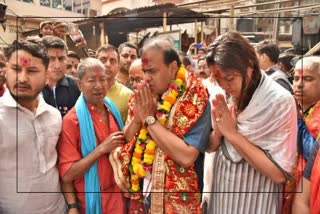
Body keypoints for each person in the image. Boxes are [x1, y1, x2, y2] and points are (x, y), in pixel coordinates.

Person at [109, 38, 211, 213]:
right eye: (145, 71)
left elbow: (187, 156)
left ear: (172, 67)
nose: (147, 78)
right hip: (145, 192)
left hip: (178, 200)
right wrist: (137, 119)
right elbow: (127, 138)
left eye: (153, 71)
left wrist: (149, 120)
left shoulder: (196, 98)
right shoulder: (144, 93)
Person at [206, 31, 297, 213]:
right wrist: (218, 132)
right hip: (221, 194)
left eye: (230, 78)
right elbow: (209, 147)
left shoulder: (279, 101)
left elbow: (279, 173)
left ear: (249, 65)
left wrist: (232, 134)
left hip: (257, 199)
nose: (224, 85)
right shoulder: (219, 92)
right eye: (218, 79)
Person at [0, 38, 66, 213]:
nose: (22, 78)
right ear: (6, 70)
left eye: (31, 70)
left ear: (46, 76)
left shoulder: (54, 115)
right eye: (16, 69)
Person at [58, 58, 126, 214]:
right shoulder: (72, 121)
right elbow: (67, 174)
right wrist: (101, 149)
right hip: (92, 200)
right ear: (80, 85)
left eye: (102, 79)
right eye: (91, 81)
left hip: (119, 195)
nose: (99, 86)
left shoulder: (112, 109)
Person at [291, 56, 320, 213]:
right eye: (295, 78)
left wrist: (299, 123)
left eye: (308, 79)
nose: (299, 85)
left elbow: (313, 154)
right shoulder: (302, 109)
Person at [41, 36, 80, 117]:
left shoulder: (77, 86)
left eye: (61, 58)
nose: (57, 65)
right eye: (51, 59)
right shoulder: (32, 87)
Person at [96, 44, 133, 124]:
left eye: (112, 61)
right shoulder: (86, 92)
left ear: (118, 66)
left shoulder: (128, 95)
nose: (108, 65)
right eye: (103, 60)